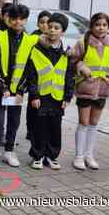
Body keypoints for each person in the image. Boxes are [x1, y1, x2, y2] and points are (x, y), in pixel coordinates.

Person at [0, 4, 38, 168]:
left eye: (21, 18)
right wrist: (3, 88)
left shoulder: (29, 41)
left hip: (17, 91)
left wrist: (20, 90)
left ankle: (9, 151)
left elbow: (30, 68)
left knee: (14, 121)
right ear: (8, 19)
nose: (18, 22)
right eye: (14, 18)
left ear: (25, 20)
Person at [24, 13, 74, 169]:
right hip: (40, 96)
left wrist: (67, 97)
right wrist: (34, 95)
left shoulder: (66, 52)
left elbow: (69, 76)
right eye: (50, 27)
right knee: (38, 127)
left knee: (54, 127)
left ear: (62, 31)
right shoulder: (37, 49)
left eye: (56, 28)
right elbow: (31, 75)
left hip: (57, 97)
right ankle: (37, 156)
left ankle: (51, 156)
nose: (52, 30)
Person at [72, 12, 109, 170]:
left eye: (104, 25)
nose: (101, 28)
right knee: (83, 122)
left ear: (108, 26)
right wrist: (81, 68)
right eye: (97, 25)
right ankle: (79, 157)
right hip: (85, 88)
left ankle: (89, 155)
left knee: (94, 123)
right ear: (92, 26)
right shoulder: (83, 42)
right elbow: (73, 60)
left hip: (102, 89)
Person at [26, 10, 52, 141]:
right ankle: (31, 132)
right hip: (35, 80)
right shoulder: (33, 38)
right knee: (33, 109)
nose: (45, 25)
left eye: (47, 22)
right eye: (42, 22)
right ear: (38, 24)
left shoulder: (54, 39)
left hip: (48, 83)